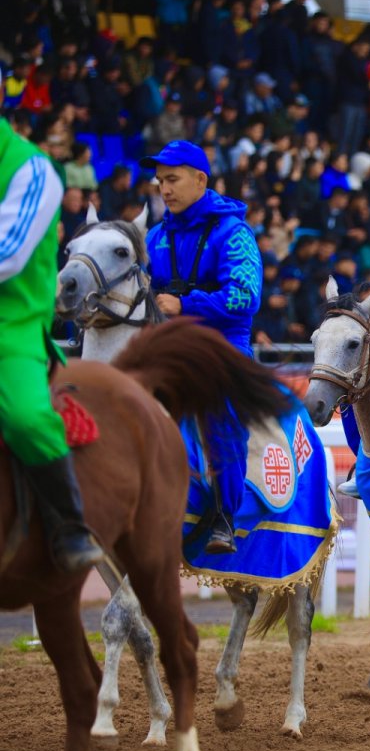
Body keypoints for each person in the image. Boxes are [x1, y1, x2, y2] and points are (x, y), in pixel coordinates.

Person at [142, 140, 264, 554]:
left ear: (200, 180)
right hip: (169, 348)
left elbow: (245, 296)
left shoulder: (233, 231)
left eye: (172, 180)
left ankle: (224, 517)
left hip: (222, 349)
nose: (165, 189)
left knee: (221, 419)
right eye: (160, 182)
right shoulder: (155, 236)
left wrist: (185, 304)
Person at [0, 116, 102, 573]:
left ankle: (71, 526)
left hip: (13, 328)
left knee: (24, 417)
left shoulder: (33, 169)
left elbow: (9, 252)